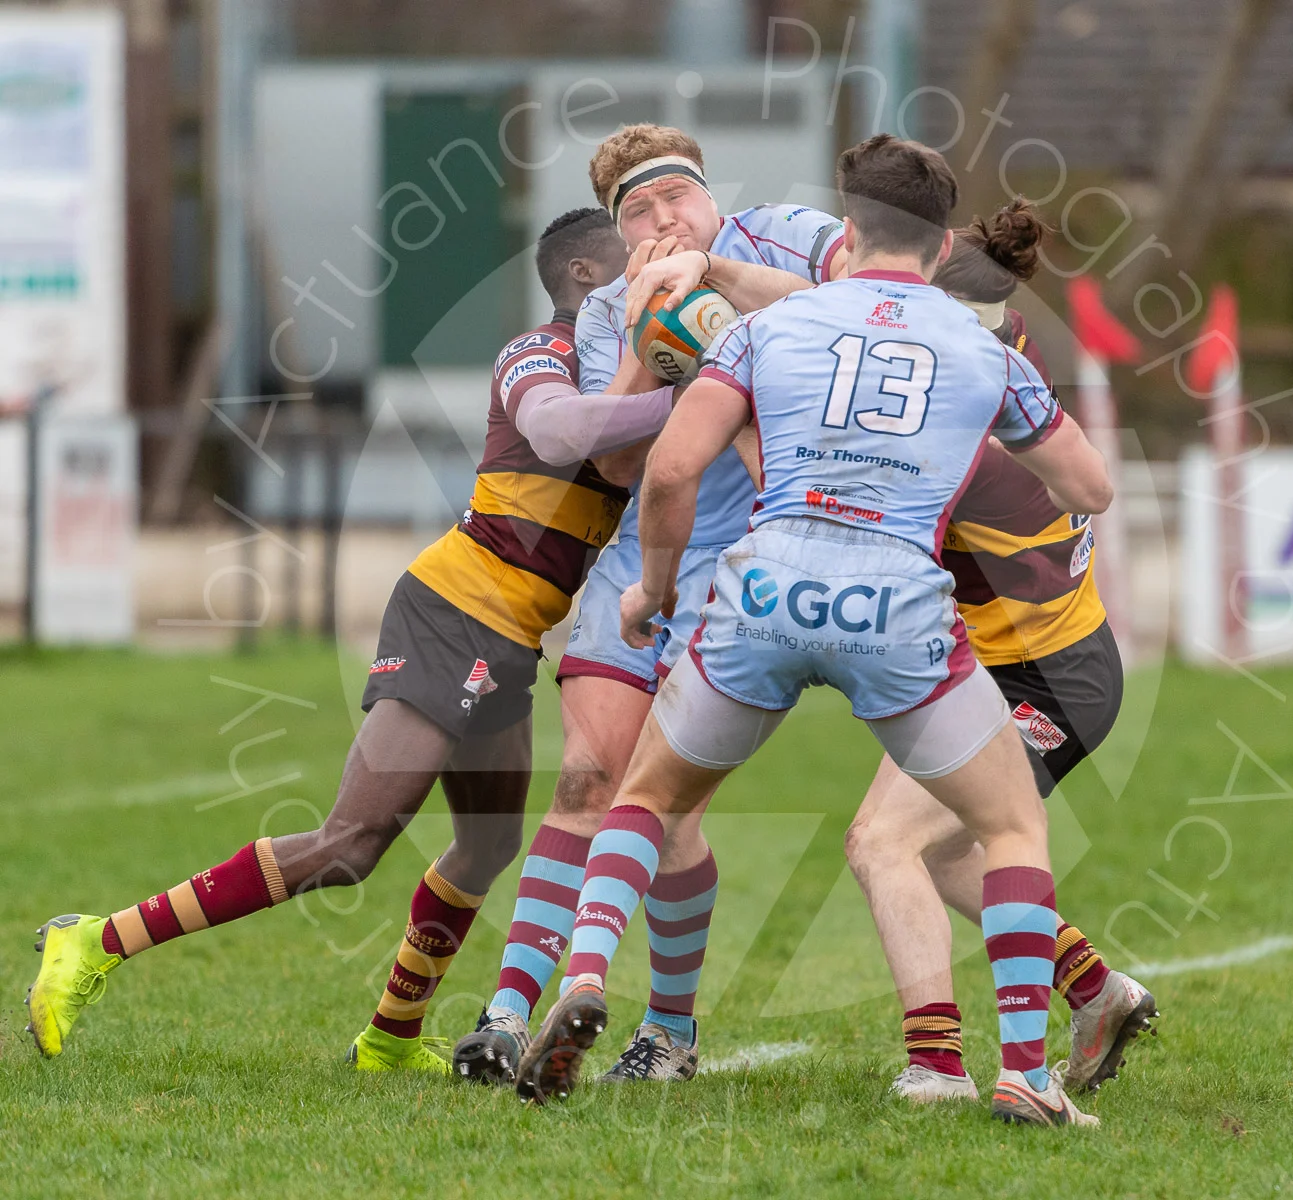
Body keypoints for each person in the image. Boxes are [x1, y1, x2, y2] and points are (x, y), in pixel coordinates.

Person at [514, 134, 1114, 1129]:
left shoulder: (762, 331)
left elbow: (666, 472)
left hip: (765, 590)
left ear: (845, 234)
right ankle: (1023, 1070)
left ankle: (583, 978)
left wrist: (651, 593)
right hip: (897, 608)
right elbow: (1089, 486)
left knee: (650, 794)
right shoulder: (982, 349)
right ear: (937, 245)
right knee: (1008, 825)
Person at [23, 208, 662, 1073]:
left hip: (507, 634)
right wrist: (684, 395)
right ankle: (93, 941)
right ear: (586, 278)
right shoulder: (539, 354)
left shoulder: (616, 371)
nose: (657, 267)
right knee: (349, 845)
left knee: (488, 843)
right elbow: (562, 432)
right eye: (636, 258)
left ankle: (391, 1037)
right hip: (456, 611)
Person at [457, 123, 848, 1087]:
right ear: (620, 232)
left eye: (677, 198)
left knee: (666, 805)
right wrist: (645, 326)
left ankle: (664, 1027)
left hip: (759, 561)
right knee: (588, 778)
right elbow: (620, 462)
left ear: (710, 196)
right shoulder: (602, 313)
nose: (664, 219)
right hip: (642, 551)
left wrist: (716, 282)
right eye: (639, 211)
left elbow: (873, 302)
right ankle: (510, 1014)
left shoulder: (785, 235)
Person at [843, 200, 1156, 1104]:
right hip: (1002, 667)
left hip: (1052, 680)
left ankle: (938, 1064)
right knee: (937, 853)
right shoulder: (1004, 357)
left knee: (883, 843)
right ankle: (1095, 989)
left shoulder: (963, 443)